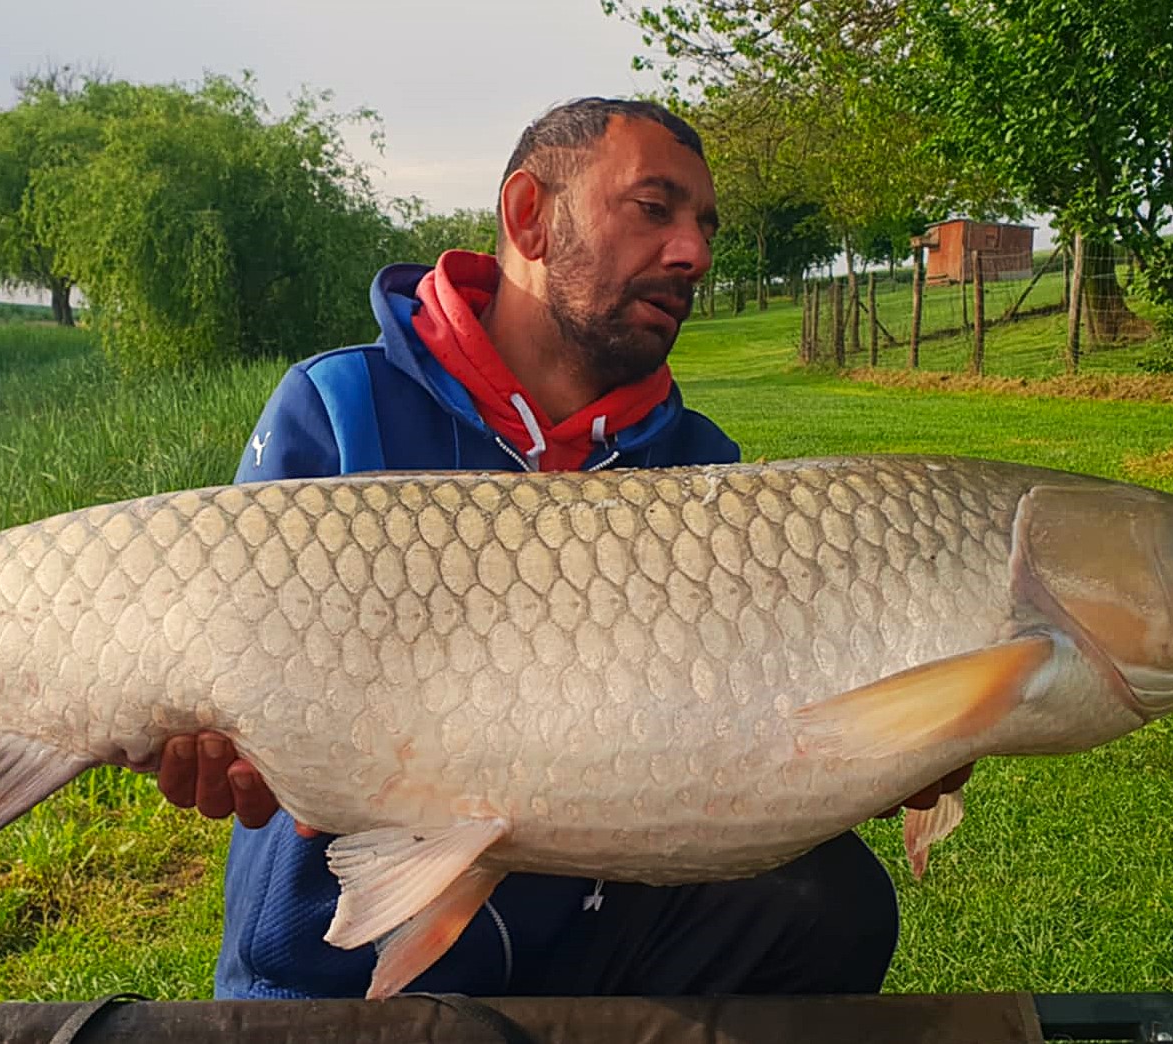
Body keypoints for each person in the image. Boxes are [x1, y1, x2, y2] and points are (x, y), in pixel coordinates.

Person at [145, 97, 974, 1000]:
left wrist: (897, 739)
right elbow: (220, 656)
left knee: (833, 902)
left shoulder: (705, 471)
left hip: (597, 942)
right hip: (329, 960)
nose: (693, 253)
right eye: (654, 209)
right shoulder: (343, 407)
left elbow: (757, 731)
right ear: (529, 216)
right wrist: (210, 737)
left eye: (704, 226)